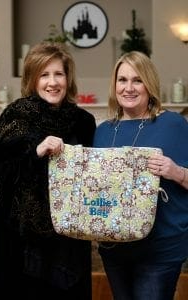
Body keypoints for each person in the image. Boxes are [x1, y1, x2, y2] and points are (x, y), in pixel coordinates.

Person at [0, 42, 96, 299]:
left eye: (58, 74)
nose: (52, 82)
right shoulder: (16, 116)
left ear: (68, 78)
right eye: (44, 75)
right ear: (32, 79)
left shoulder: (84, 121)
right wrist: (36, 152)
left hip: (68, 235)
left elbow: (92, 174)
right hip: (20, 238)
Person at [93, 51, 188, 300]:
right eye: (122, 80)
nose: (129, 88)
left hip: (160, 250)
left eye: (137, 80)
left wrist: (175, 172)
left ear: (149, 84)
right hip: (114, 249)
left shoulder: (173, 124)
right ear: (114, 86)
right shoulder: (103, 132)